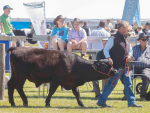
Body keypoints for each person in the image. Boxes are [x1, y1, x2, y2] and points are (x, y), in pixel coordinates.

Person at [97, 21, 142, 107]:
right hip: (116, 67)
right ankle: (101, 101)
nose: (128, 29)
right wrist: (109, 58)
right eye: (127, 28)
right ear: (121, 28)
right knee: (112, 84)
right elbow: (106, 49)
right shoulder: (113, 38)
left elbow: (130, 50)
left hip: (124, 66)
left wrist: (129, 55)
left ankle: (131, 102)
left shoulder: (127, 38)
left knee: (128, 84)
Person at [122, 33, 150, 101]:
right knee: (127, 75)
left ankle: (143, 96)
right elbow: (129, 57)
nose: (146, 40)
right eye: (144, 39)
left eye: (147, 39)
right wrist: (130, 59)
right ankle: (127, 95)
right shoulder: (134, 48)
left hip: (146, 68)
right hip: (135, 67)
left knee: (146, 76)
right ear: (139, 40)